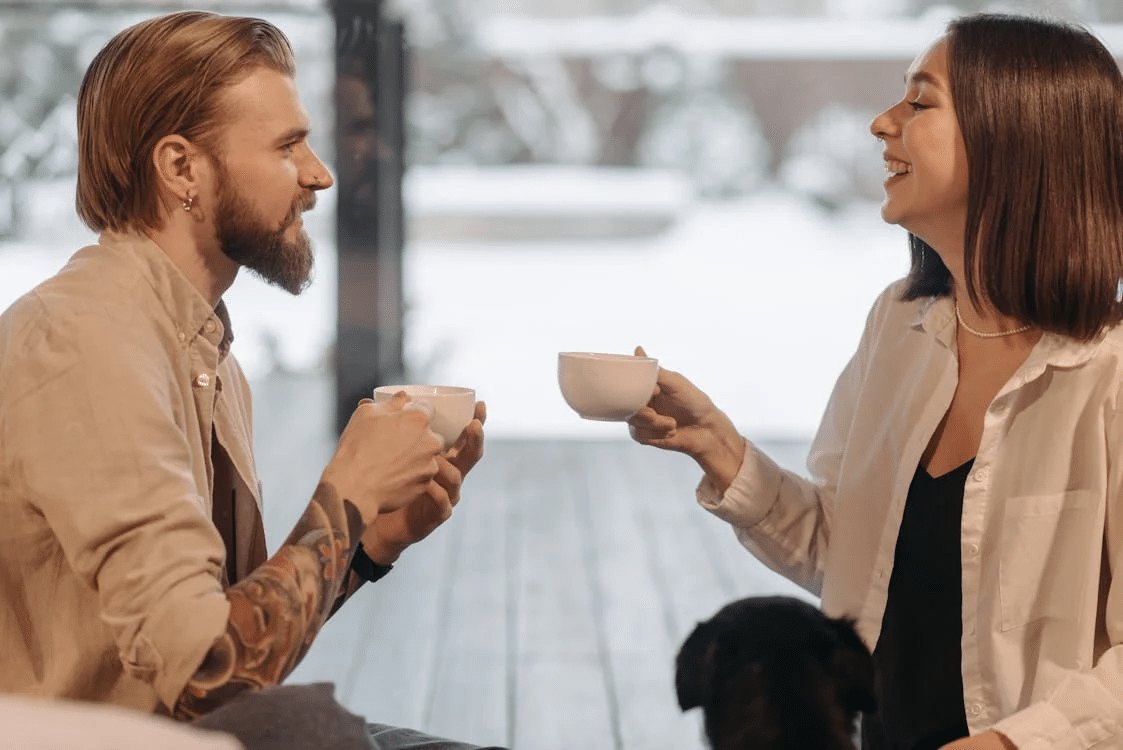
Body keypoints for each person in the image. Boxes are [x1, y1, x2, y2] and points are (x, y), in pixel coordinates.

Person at [0, 11, 499, 750]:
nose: (319, 174)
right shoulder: (85, 346)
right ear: (181, 170)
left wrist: (365, 543)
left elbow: (233, 651)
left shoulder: (205, 354)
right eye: (288, 145)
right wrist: (346, 497)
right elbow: (211, 675)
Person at [628, 13, 1123, 750]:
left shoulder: (1109, 374)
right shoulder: (898, 326)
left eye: (919, 103)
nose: (879, 124)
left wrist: (1010, 743)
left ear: (1017, 136)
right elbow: (850, 560)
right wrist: (719, 448)